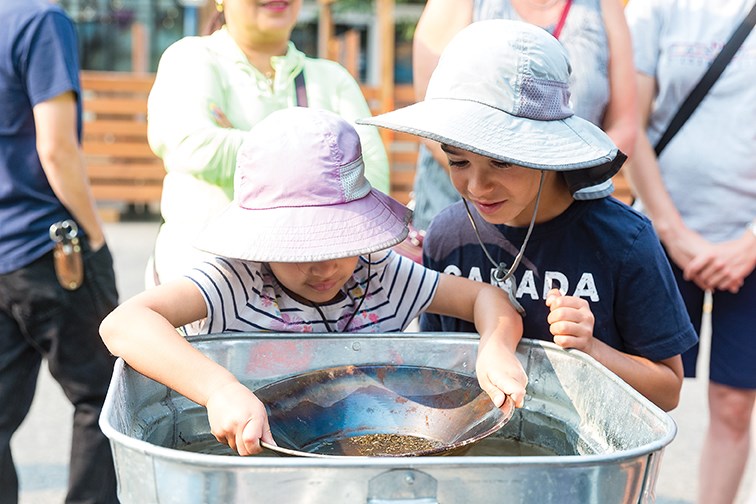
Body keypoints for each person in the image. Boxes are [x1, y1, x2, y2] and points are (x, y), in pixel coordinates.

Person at [100, 107, 527, 457]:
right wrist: (219, 390)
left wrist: (495, 348)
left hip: (362, 457)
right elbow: (124, 323)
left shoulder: (378, 274)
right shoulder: (239, 280)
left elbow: (486, 299)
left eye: (339, 244)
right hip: (259, 460)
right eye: (301, 251)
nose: (323, 268)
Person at [360, 19, 698, 412]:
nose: (476, 187)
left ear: (546, 151)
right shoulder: (449, 235)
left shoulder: (625, 241)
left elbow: (668, 388)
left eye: (502, 163)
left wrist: (591, 348)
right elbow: (436, 365)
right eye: (458, 161)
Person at [146, 0, 390, 285]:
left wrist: (245, 144)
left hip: (321, 284)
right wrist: (326, 160)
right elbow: (193, 147)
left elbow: (372, 179)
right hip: (209, 281)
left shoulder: (332, 78)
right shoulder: (189, 58)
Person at [624, 0, 756, 502]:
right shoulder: (653, 9)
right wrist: (675, 235)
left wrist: (751, 241)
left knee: (734, 403)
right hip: (659, 234)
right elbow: (630, 125)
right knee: (640, 395)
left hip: (746, 243)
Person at [0, 1, 119, 503]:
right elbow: (56, 148)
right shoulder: (40, 20)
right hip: (49, 247)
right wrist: (94, 234)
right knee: (104, 397)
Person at [408, 0, 637, 232]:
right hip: (460, 213)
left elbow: (624, 124)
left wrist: (552, 189)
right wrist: (493, 176)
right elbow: (434, 119)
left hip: (566, 212)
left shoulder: (603, 6)